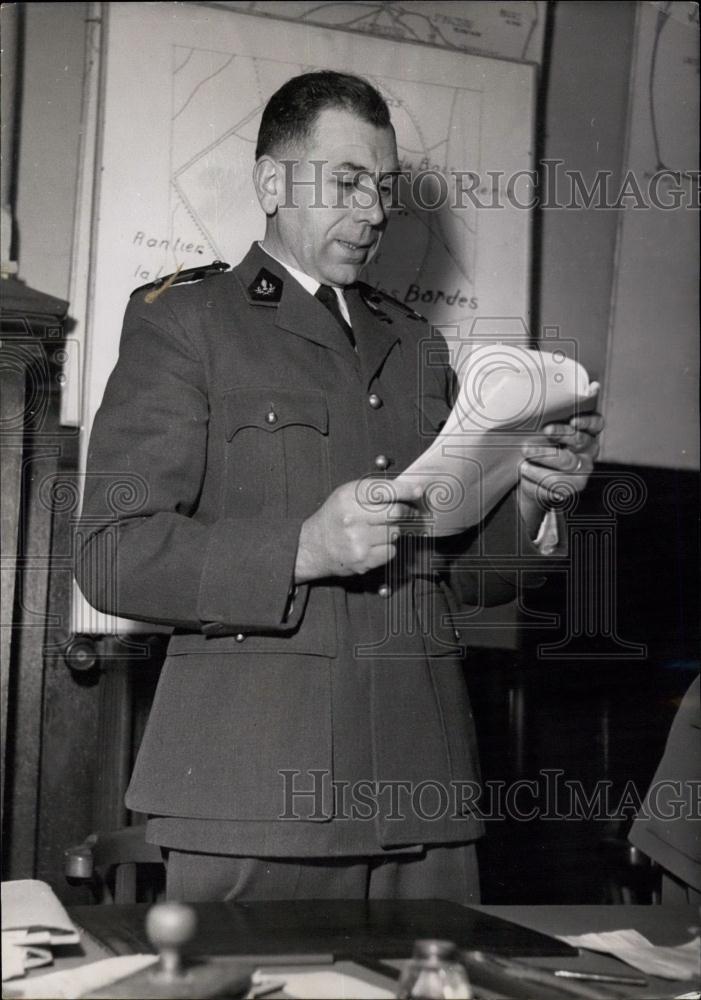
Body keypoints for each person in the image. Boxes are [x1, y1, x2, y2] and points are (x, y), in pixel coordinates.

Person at [76, 71, 602, 904]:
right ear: (271, 183)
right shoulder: (185, 324)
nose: (373, 212)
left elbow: (457, 575)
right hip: (253, 795)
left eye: (384, 189)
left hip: (422, 791)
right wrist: (302, 549)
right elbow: (111, 555)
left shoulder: (417, 346)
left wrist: (531, 496)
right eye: (348, 182)